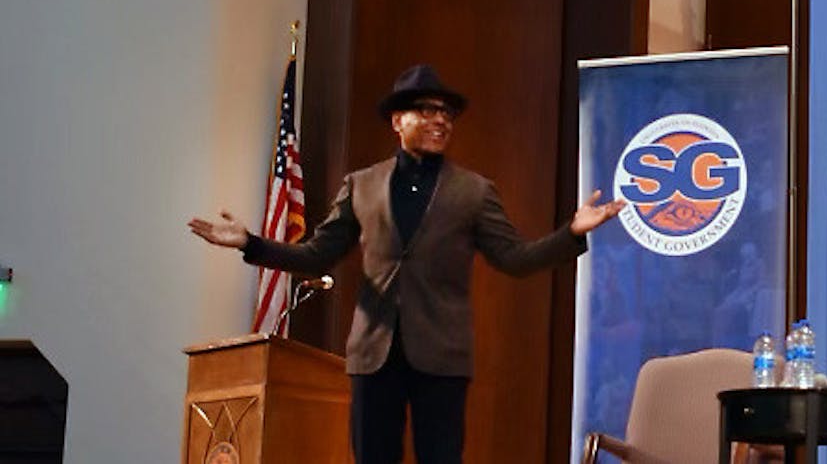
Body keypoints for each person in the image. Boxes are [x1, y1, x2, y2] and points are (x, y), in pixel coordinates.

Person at [188, 64, 625, 464]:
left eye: (447, 114)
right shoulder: (361, 185)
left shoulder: (474, 191)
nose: (441, 120)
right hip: (373, 355)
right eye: (427, 111)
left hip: (442, 356)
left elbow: (515, 258)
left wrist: (572, 233)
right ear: (398, 121)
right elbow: (318, 253)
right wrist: (251, 243)